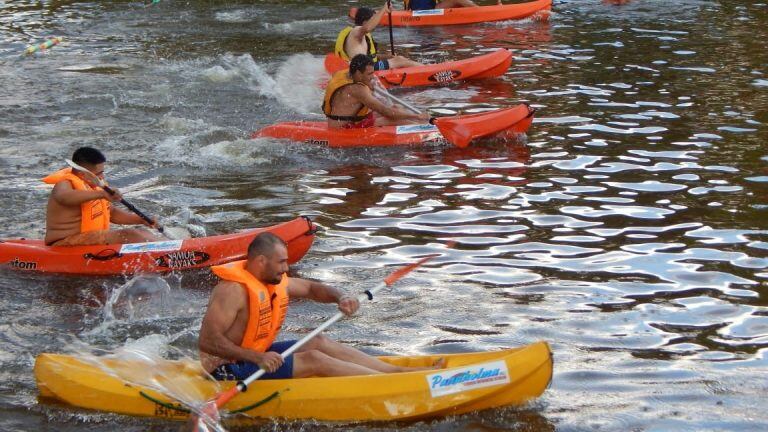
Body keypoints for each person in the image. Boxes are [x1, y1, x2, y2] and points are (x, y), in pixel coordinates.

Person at [199, 233, 444, 380]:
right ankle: (389, 383)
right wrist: (257, 357)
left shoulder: (274, 281)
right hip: (225, 371)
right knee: (314, 358)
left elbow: (312, 289)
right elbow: (208, 342)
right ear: (261, 261)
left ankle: (395, 373)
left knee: (317, 341)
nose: (286, 268)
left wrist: (341, 297)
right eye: (281, 262)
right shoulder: (231, 291)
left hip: (256, 354)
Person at [43, 147, 162, 246]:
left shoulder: (94, 186)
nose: (102, 177)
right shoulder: (64, 184)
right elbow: (64, 197)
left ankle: (172, 248)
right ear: (82, 174)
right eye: (98, 174)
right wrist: (101, 194)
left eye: (102, 172)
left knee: (141, 232)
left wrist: (140, 220)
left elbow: (111, 213)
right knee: (131, 235)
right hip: (65, 242)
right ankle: (171, 256)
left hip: (88, 238)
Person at [323, 54, 429, 129]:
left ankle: (424, 124)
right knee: (398, 120)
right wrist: (416, 116)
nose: (372, 76)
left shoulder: (345, 73)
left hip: (353, 119)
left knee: (397, 107)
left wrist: (367, 82)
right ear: (359, 73)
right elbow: (387, 113)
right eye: (369, 74)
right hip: (345, 127)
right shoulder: (358, 90)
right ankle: (426, 130)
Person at [336, 4, 421, 71]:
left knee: (399, 58)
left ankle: (422, 69)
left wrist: (387, 57)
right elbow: (368, 27)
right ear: (366, 21)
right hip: (359, 70)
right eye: (374, 19)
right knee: (399, 61)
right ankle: (429, 69)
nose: (376, 24)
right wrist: (384, 9)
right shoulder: (356, 31)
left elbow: (370, 56)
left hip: (364, 67)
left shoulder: (363, 35)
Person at [404, 0, 478, 11]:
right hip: (431, 12)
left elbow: (407, 8)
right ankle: (482, 11)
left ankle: (482, 11)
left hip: (414, 12)